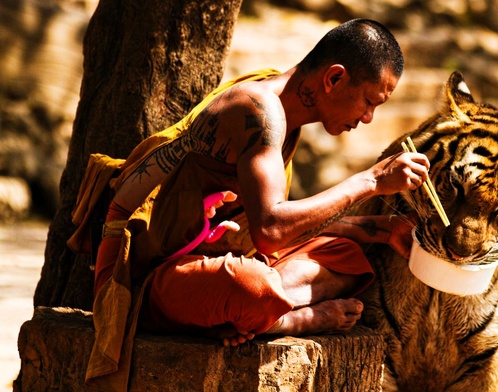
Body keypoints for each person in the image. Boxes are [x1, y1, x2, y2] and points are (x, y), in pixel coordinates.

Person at [68, 18, 429, 388]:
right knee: (249, 287)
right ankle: (286, 319)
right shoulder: (259, 110)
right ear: (334, 78)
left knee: (347, 257)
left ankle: (241, 316)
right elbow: (272, 231)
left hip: (213, 251)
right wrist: (369, 181)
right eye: (369, 102)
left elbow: (268, 220)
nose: (368, 118)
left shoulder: (287, 114)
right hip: (144, 272)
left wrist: (379, 230)